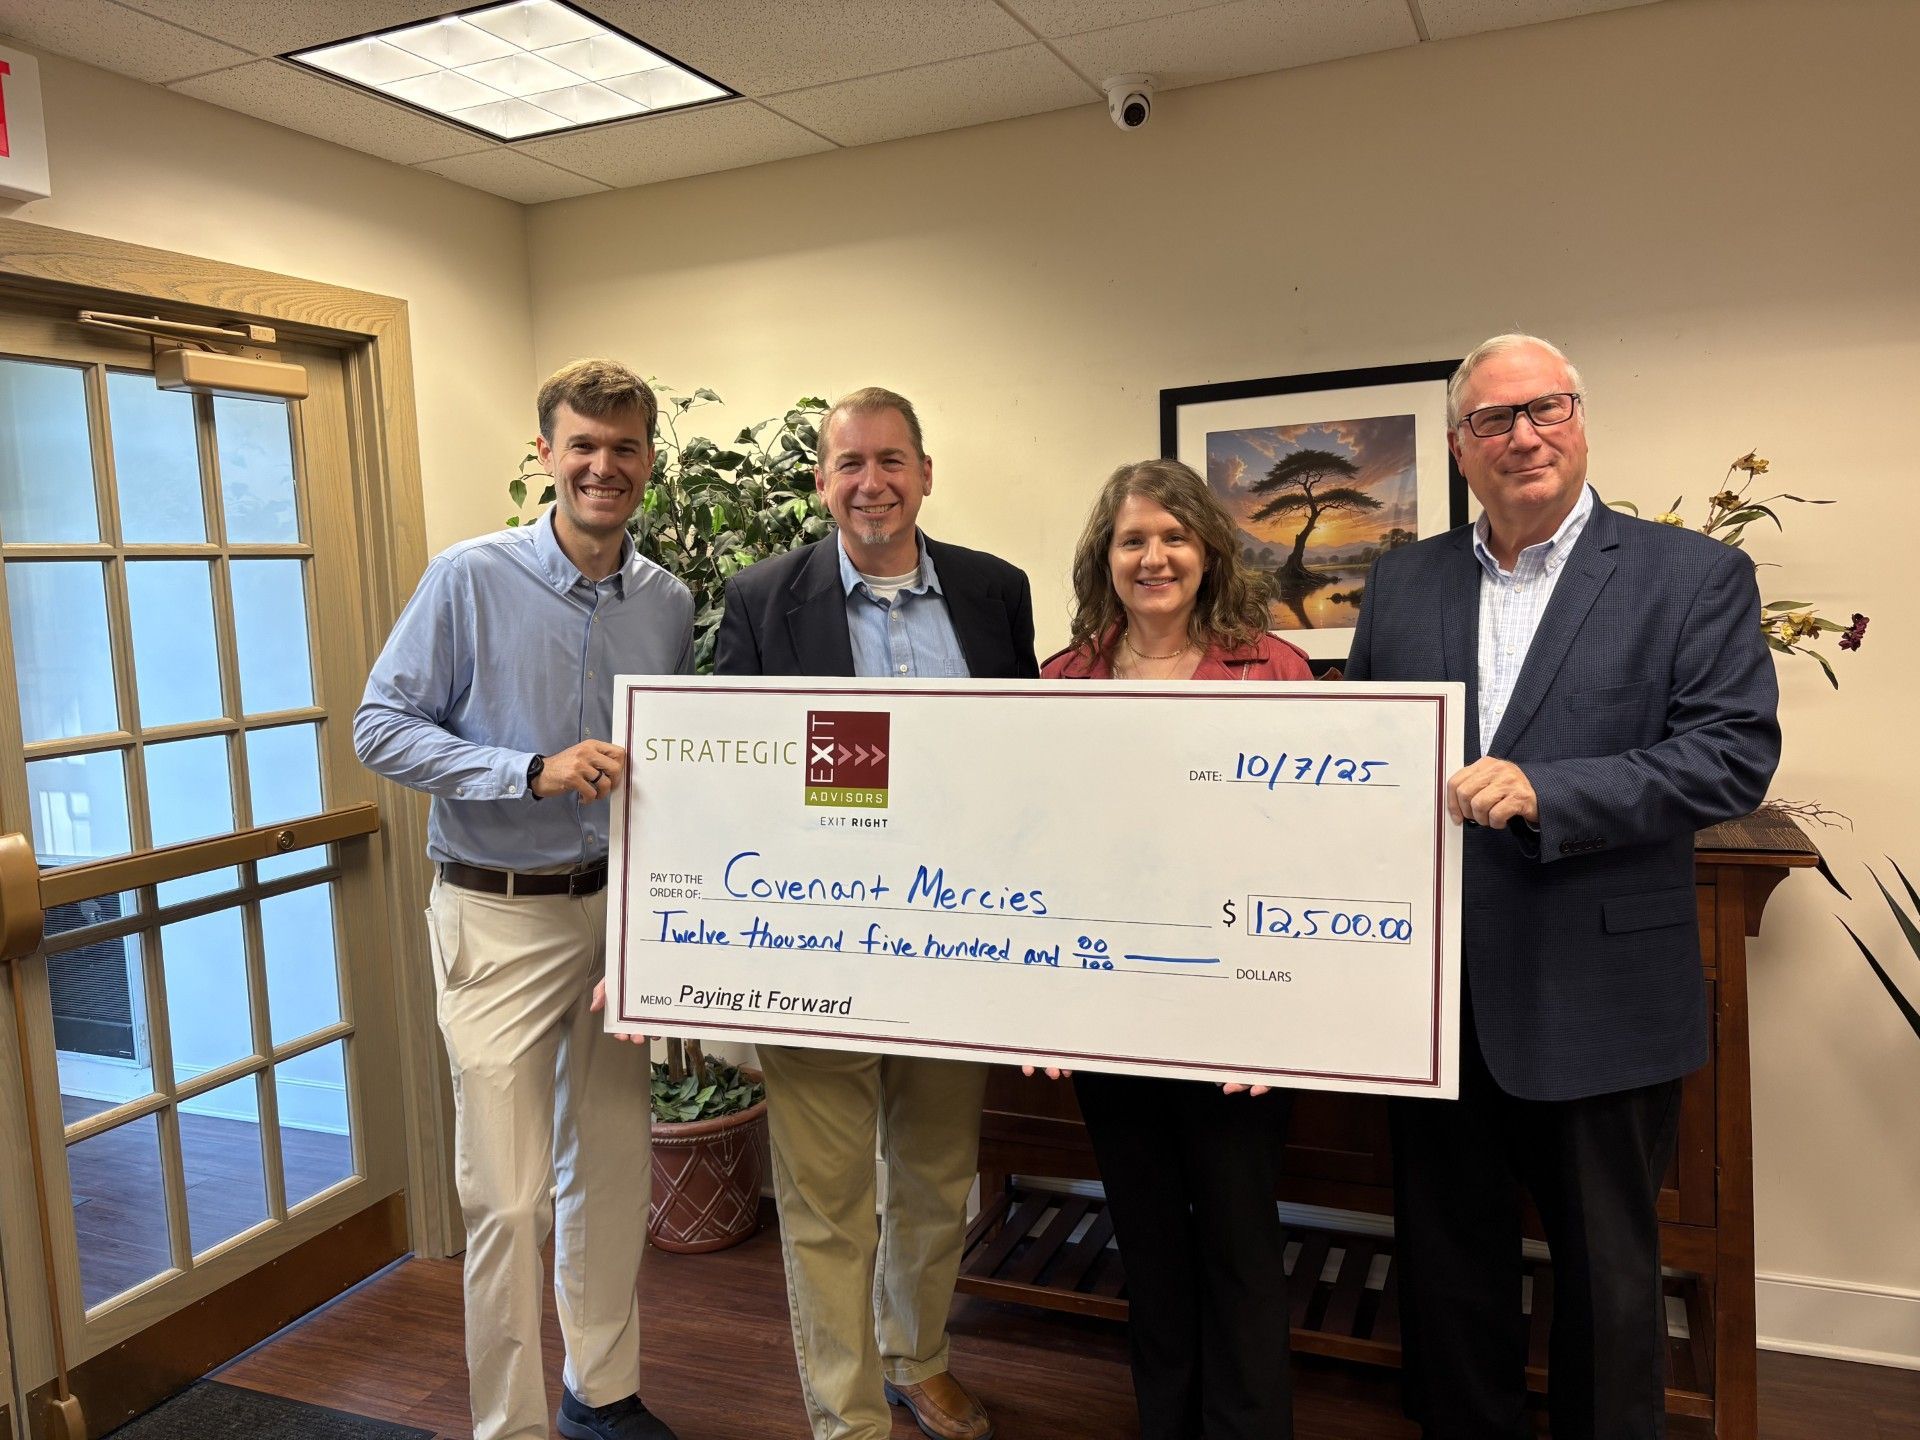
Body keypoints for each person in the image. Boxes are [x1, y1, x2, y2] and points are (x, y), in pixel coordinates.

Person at [1344, 334, 1780, 1439]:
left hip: (1602, 990)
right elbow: (1362, 752)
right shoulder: (1403, 579)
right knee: (1447, 1277)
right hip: (1438, 1003)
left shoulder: (1693, 576)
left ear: (1579, 419)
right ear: (1458, 447)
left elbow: (1730, 755)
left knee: (1607, 1284)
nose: (1523, 435)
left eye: (1545, 408)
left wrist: (1551, 789)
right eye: (1493, 420)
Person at [354, 359, 691, 1440]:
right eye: (582, 445)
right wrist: (527, 769)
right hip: (496, 911)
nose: (604, 466)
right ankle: (508, 1426)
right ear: (544, 454)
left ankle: (604, 1390)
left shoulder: (669, 601)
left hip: (616, 920)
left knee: (610, 1164)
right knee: (504, 1198)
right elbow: (379, 726)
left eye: (625, 447)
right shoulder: (468, 577)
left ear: (649, 462)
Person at [713, 386, 1036, 1440]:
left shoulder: (996, 592)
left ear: (926, 474)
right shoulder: (764, 597)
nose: (872, 483)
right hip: (821, 951)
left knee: (940, 1180)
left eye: (892, 461)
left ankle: (918, 1356)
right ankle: (846, 1414)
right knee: (827, 1204)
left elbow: (1029, 770)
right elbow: (735, 776)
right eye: (849, 464)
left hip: (955, 941)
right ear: (821, 482)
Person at [1038, 457, 1308, 1440]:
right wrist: (1050, 1005)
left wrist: (1274, 1019)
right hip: (1114, 1016)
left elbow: (1306, 855)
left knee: (1239, 1244)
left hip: (1236, 1018)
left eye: (1174, 536)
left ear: (1208, 550)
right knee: (1147, 1243)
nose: (1155, 557)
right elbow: (1043, 854)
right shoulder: (1061, 681)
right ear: (1103, 559)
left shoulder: (1274, 671)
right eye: (1132, 539)